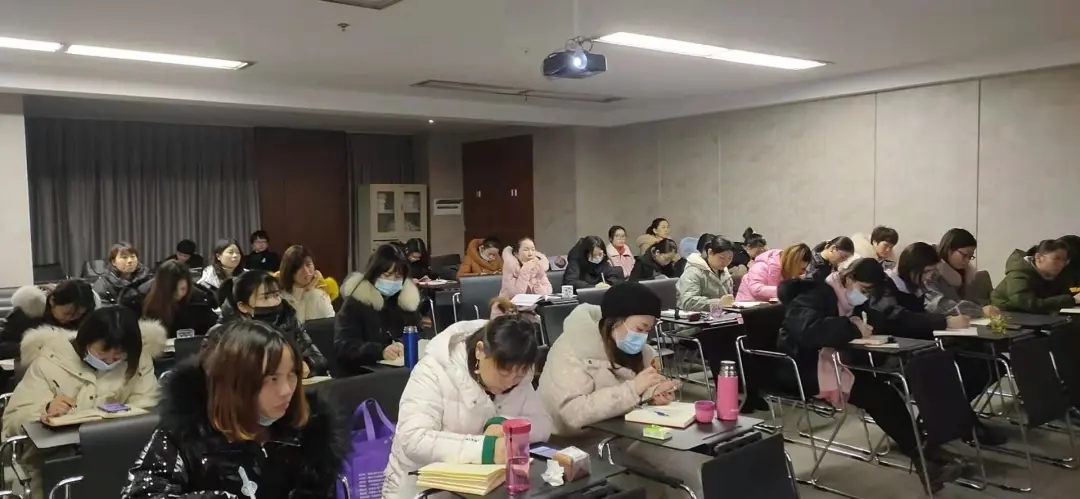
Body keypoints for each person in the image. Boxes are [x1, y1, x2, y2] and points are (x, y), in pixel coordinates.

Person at [777, 259, 961, 490]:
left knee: (886, 392)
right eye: (863, 290)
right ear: (848, 279)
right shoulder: (814, 295)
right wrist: (853, 328)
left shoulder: (851, 301)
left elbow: (887, 321)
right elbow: (809, 331)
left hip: (832, 365)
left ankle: (925, 458)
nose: (864, 297)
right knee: (879, 395)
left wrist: (941, 322)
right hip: (800, 369)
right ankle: (926, 458)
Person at [121, 321, 346, 499]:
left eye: (292, 374)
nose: (287, 390)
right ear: (236, 383)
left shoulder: (310, 432)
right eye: (272, 378)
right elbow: (142, 494)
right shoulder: (185, 433)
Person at [538, 283, 708, 497]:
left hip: (626, 432)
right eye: (639, 329)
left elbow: (634, 395)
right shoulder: (572, 349)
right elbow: (572, 414)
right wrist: (635, 389)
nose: (643, 337)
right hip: (578, 445)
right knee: (673, 470)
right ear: (615, 322)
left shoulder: (640, 351)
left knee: (693, 465)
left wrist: (652, 394)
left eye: (647, 330)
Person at [382, 301, 551, 499]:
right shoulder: (434, 369)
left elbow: (544, 424)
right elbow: (413, 439)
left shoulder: (518, 373)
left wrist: (504, 424)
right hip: (420, 489)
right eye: (503, 372)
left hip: (486, 488)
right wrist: (486, 449)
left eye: (519, 375)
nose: (509, 382)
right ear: (480, 351)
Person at [3, 306, 166, 497]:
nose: (109, 361)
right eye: (101, 353)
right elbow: (12, 422)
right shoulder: (50, 362)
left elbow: (148, 409)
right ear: (85, 341)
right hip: (56, 458)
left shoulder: (138, 362)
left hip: (120, 454)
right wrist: (44, 410)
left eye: (118, 356)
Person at [865, 242, 1006, 445]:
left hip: (923, 346)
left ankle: (945, 417)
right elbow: (898, 318)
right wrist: (945, 322)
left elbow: (922, 318)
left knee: (987, 362)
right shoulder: (886, 285)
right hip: (895, 352)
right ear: (912, 268)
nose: (930, 276)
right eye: (927, 271)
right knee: (947, 371)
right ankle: (966, 425)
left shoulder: (915, 285)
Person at [213, 270, 328, 378]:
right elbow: (226, 375)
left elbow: (318, 358)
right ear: (243, 306)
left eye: (276, 295)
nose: (274, 302)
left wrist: (308, 364)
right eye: (266, 297)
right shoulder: (222, 334)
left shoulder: (287, 319)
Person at [334, 244, 421, 376]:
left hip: (400, 372)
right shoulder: (356, 303)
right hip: (363, 375)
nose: (392, 281)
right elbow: (344, 346)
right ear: (374, 274)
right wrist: (380, 351)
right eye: (387, 275)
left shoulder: (405, 302)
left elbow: (418, 331)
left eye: (398, 276)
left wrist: (402, 344)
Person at [0, 281, 98, 359]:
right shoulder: (27, 314)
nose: (70, 318)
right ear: (52, 301)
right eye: (67, 313)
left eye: (78, 315)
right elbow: (3, 346)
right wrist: (33, 348)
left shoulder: (80, 322)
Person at [123, 260, 218, 337]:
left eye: (183, 289)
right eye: (173, 290)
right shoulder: (139, 299)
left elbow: (212, 328)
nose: (179, 294)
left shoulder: (199, 299)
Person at [991, 239, 1079, 313]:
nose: (1061, 264)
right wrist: (1072, 300)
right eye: (1056, 258)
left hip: (1035, 315)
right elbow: (1026, 303)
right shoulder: (1019, 272)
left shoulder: (1054, 273)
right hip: (1008, 314)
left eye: (1064, 260)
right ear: (1039, 258)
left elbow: (1062, 293)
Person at [927, 228, 999, 317]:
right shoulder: (929, 273)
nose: (967, 260)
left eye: (970, 257)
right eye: (964, 255)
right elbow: (940, 305)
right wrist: (980, 311)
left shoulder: (965, 275)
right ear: (949, 249)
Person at [276, 245, 338, 323]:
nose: (306, 271)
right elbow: (296, 324)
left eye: (308, 265)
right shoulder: (280, 296)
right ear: (289, 270)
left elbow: (331, 324)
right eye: (299, 267)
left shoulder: (320, 295)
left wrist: (309, 293)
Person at [736, 243, 813, 302]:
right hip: (747, 311)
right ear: (791, 263)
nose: (802, 272)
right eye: (801, 268)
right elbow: (756, 290)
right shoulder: (761, 266)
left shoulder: (789, 272)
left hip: (770, 311)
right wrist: (784, 290)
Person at [675, 235, 736, 310]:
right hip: (695, 316)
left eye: (729, 258)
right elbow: (688, 302)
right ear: (710, 252)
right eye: (721, 258)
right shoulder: (693, 272)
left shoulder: (724, 272)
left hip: (719, 314)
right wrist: (718, 303)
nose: (726, 262)